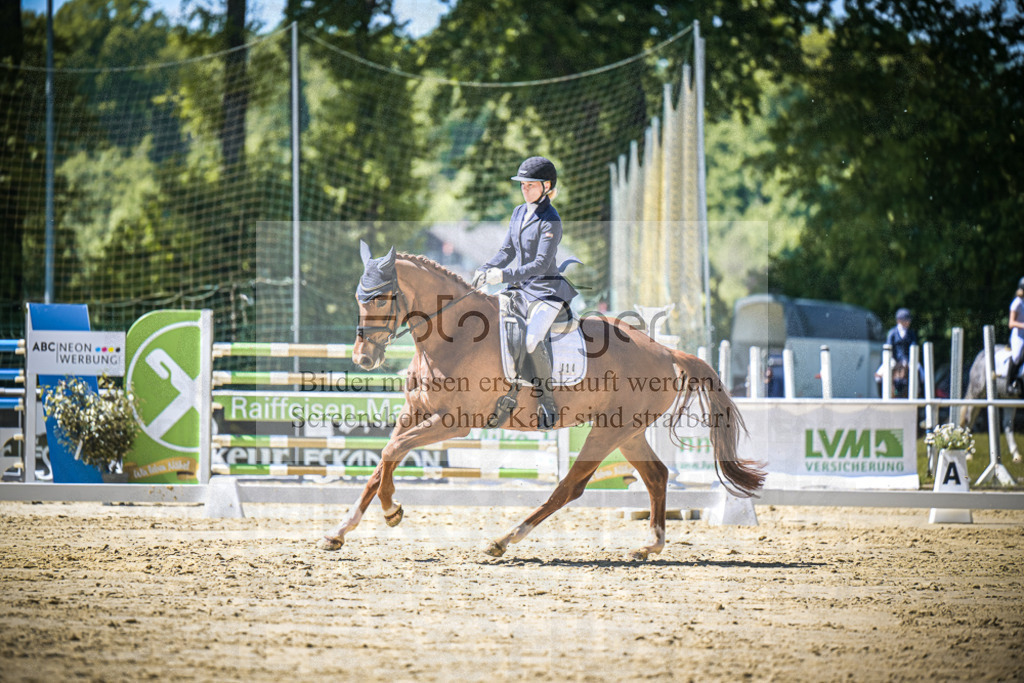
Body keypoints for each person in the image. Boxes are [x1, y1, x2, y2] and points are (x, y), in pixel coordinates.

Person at [473, 156, 579, 430]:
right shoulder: (519, 212)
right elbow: (508, 251)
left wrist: (504, 275)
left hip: (547, 290)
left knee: (532, 340)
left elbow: (540, 265)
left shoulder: (551, 219)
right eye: (522, 184)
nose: (525, 189)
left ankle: (547, 402)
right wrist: (486, 268)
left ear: (547, 186)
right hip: (521, 288)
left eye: (531, 185)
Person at [882, 308, 919, 397]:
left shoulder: (911, 333)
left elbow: (914, 344)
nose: (908, 322)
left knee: (923, 376)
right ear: (899, 321)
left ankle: (919, 394)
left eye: (908, 320)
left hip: (909, 359)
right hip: (894, 359)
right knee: (878, 377)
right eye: (906, 320)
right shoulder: (892, 332)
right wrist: (891, 358)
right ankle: (884, 394)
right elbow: (889, 344)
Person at [1007, 277, 1024, 397]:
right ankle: (1009, 382)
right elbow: (1011, 323)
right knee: (1017, 355)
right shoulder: (1017, 303)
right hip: (1018, 336)